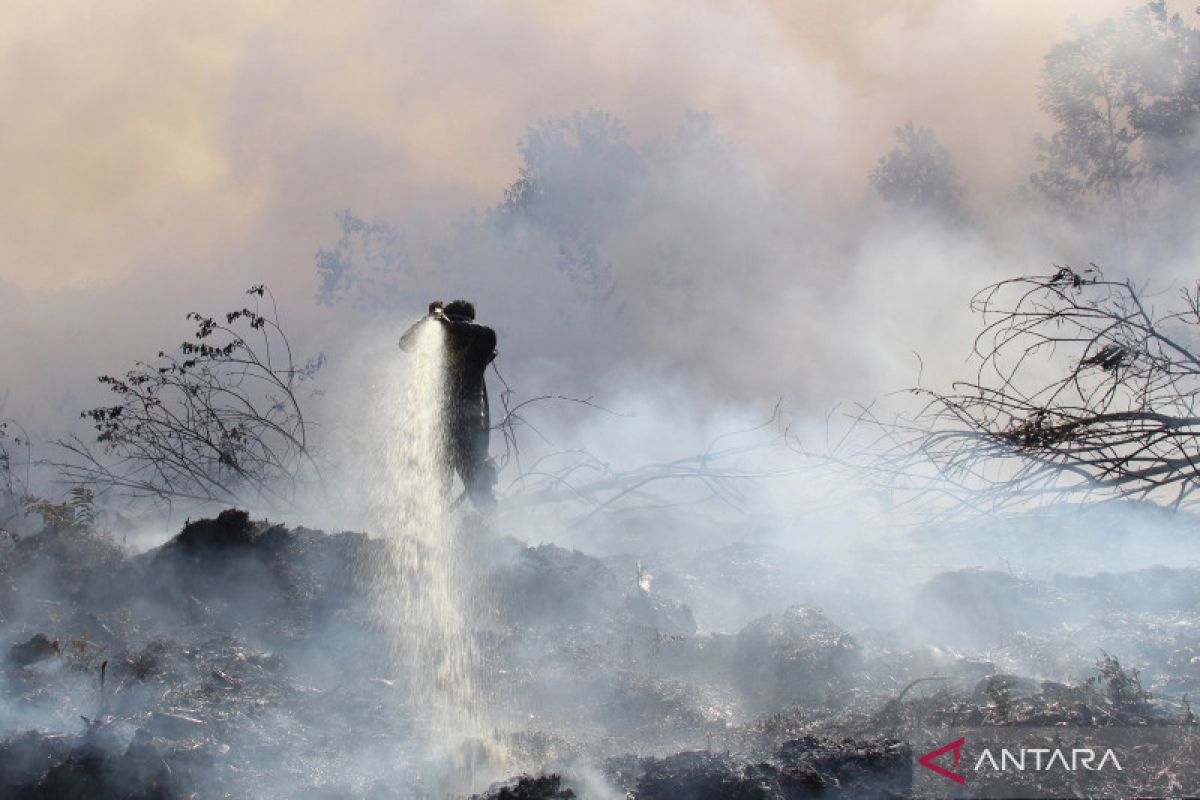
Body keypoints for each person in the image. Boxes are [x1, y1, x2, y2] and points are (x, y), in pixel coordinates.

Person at [399, 299, 498, 512]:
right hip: (453, 428)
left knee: (471, 488)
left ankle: (487, 539)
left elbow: (487, 335)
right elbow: (405, 343)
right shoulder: (438, 338)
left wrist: (446, 323)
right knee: (445, 489)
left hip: (456, 428)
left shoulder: (479, 339)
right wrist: (430, 321)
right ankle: (481, 536)